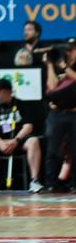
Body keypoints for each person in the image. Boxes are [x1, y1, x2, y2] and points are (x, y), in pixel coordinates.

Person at [0, 78, 43, 194]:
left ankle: (34, 180)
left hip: (18, 141)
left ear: (7, 92)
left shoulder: (21, 105)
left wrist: (16, 140)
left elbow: (28, 126)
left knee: (34, 141)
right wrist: (0, 142)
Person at [43, 41, 76, 192]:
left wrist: (65, 67)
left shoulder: (68, 69)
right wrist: (50, 65)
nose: (69, 53)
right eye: (68, 50)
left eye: (71, 50)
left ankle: (74, 184)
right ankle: (51, 183)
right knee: (53, 149)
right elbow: (51, 88)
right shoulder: (60, 67)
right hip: (58, 113)